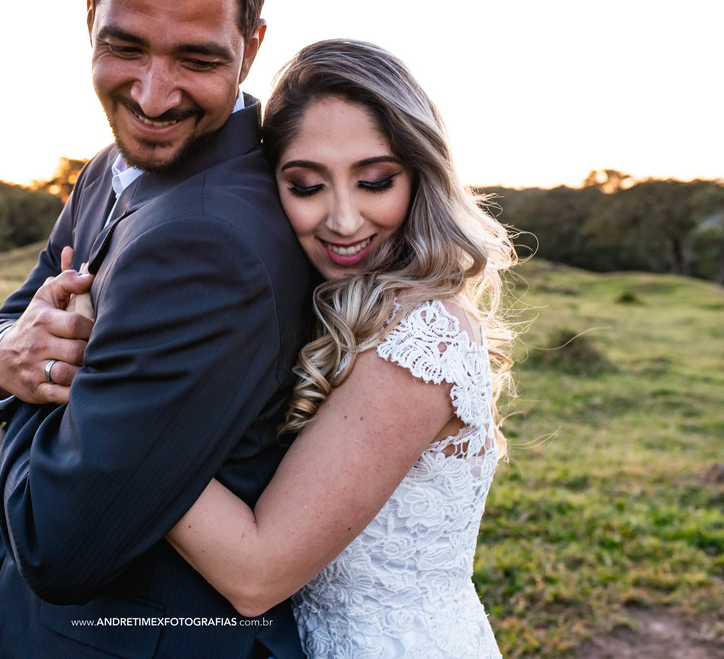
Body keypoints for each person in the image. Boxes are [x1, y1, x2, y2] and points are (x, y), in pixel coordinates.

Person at [0, 0, 315, 659]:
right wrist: (3, 361)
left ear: (251, 45)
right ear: (88, 18)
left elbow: (55, 539)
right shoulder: (108, 167)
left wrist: (45, 384)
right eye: (125, 46)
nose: (151, 96)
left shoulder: (210, 245)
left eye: (197, 58)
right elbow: (7, 320)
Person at [161, 39, 517, 657]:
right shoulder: (340, 306)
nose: (345, 221)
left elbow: (255, 575)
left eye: (375, 181)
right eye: (307, 186)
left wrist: (110, 406)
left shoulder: (419, 340)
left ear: (420, 176)